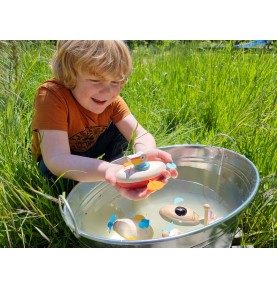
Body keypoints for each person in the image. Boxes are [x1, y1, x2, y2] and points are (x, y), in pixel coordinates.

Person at [32, 40, 177, 201]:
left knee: (122, 127)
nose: (107, 91)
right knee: (65, 187)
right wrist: (107, 170)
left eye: (115, 82)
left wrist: (144, 154)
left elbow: (141, 135)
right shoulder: (52, 96)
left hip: (91, 149)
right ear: (69, 74)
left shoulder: (112, 101)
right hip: (58, 164)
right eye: (95, 80)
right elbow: (56, 159)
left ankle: (117, 174)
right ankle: (108, 174)